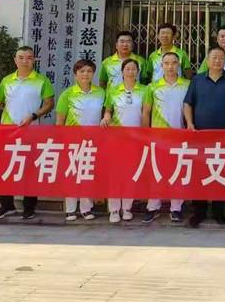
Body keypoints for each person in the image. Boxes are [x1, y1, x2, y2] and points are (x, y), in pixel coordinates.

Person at [0, 46, 55, 220]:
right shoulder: (7, 80)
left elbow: (49, 104)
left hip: (31, 131)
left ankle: (29, 207)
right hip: (7, 132)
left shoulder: (42, 80)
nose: (25, 61)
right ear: (15, 60)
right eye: (21, 57)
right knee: (5, 167)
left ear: (34, 60)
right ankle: (7, 205)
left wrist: (33, 116)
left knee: (30, 169)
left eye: (29, 57)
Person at [185, 46, 225, 228]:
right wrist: (189, 123)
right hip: (200, 135)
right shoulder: (197, 80)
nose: (218, 61)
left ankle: (219, 211)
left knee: (221, 172)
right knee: (199, 173)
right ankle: (199, 212)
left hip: (224, 135)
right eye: (214, 58)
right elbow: (188, 104)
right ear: (207, 60)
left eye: (221, 58)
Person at [101, 57, 152, 223]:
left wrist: (144, 135)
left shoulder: (145, 90)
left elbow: (146, 113)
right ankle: (114, 209)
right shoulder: (113, 90)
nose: (130, 71)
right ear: (122, 72)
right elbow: (108, 110)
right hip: (116, 137)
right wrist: (106, 118)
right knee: (115, 174)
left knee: (131, 174)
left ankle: (127, 208)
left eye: (133, 69)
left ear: (138, 72)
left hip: (135, 138)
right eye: (127, 69)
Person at [142, 52, 190, 223]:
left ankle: (176, 208)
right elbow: (146, 112)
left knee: (177, 172)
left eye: (174, 63)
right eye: (167, 63)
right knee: (156, 172)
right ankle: (153, 207)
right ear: (161, 66)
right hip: (158, 137)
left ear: (179, 65)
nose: (170, 66)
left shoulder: (187, 85)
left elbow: (190, 108)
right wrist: (145, 134)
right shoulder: (152, 87)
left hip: (179, 136)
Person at [56, 59, 106, 222]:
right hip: (72, 140)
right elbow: (60, 121)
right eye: (82, 71)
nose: (85, 74)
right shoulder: (67, 94)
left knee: (86, 174)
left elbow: (105, 115)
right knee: (72, 174)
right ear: (75, 74)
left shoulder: (101, 93)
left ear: (93, 74)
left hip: (92, 142)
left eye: (89, 71)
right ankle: (70, 209)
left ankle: (86, 208)